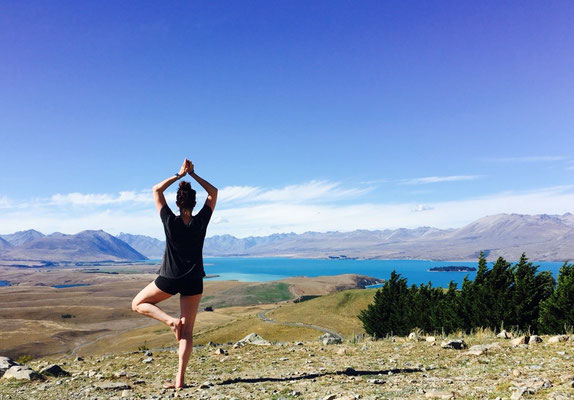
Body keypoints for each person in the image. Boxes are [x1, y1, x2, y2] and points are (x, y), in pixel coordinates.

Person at [131, 158, 217, 389]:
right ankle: (179, 380)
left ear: (178, 204)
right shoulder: (201, 221)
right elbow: (214, 192)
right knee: (187, 332)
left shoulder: (169, 220)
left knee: (138, 304)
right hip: (193, 280)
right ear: (194, 202)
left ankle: (170, 322)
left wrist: (179, 175)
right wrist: (194, 175)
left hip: (169, 277)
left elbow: (156, 190)